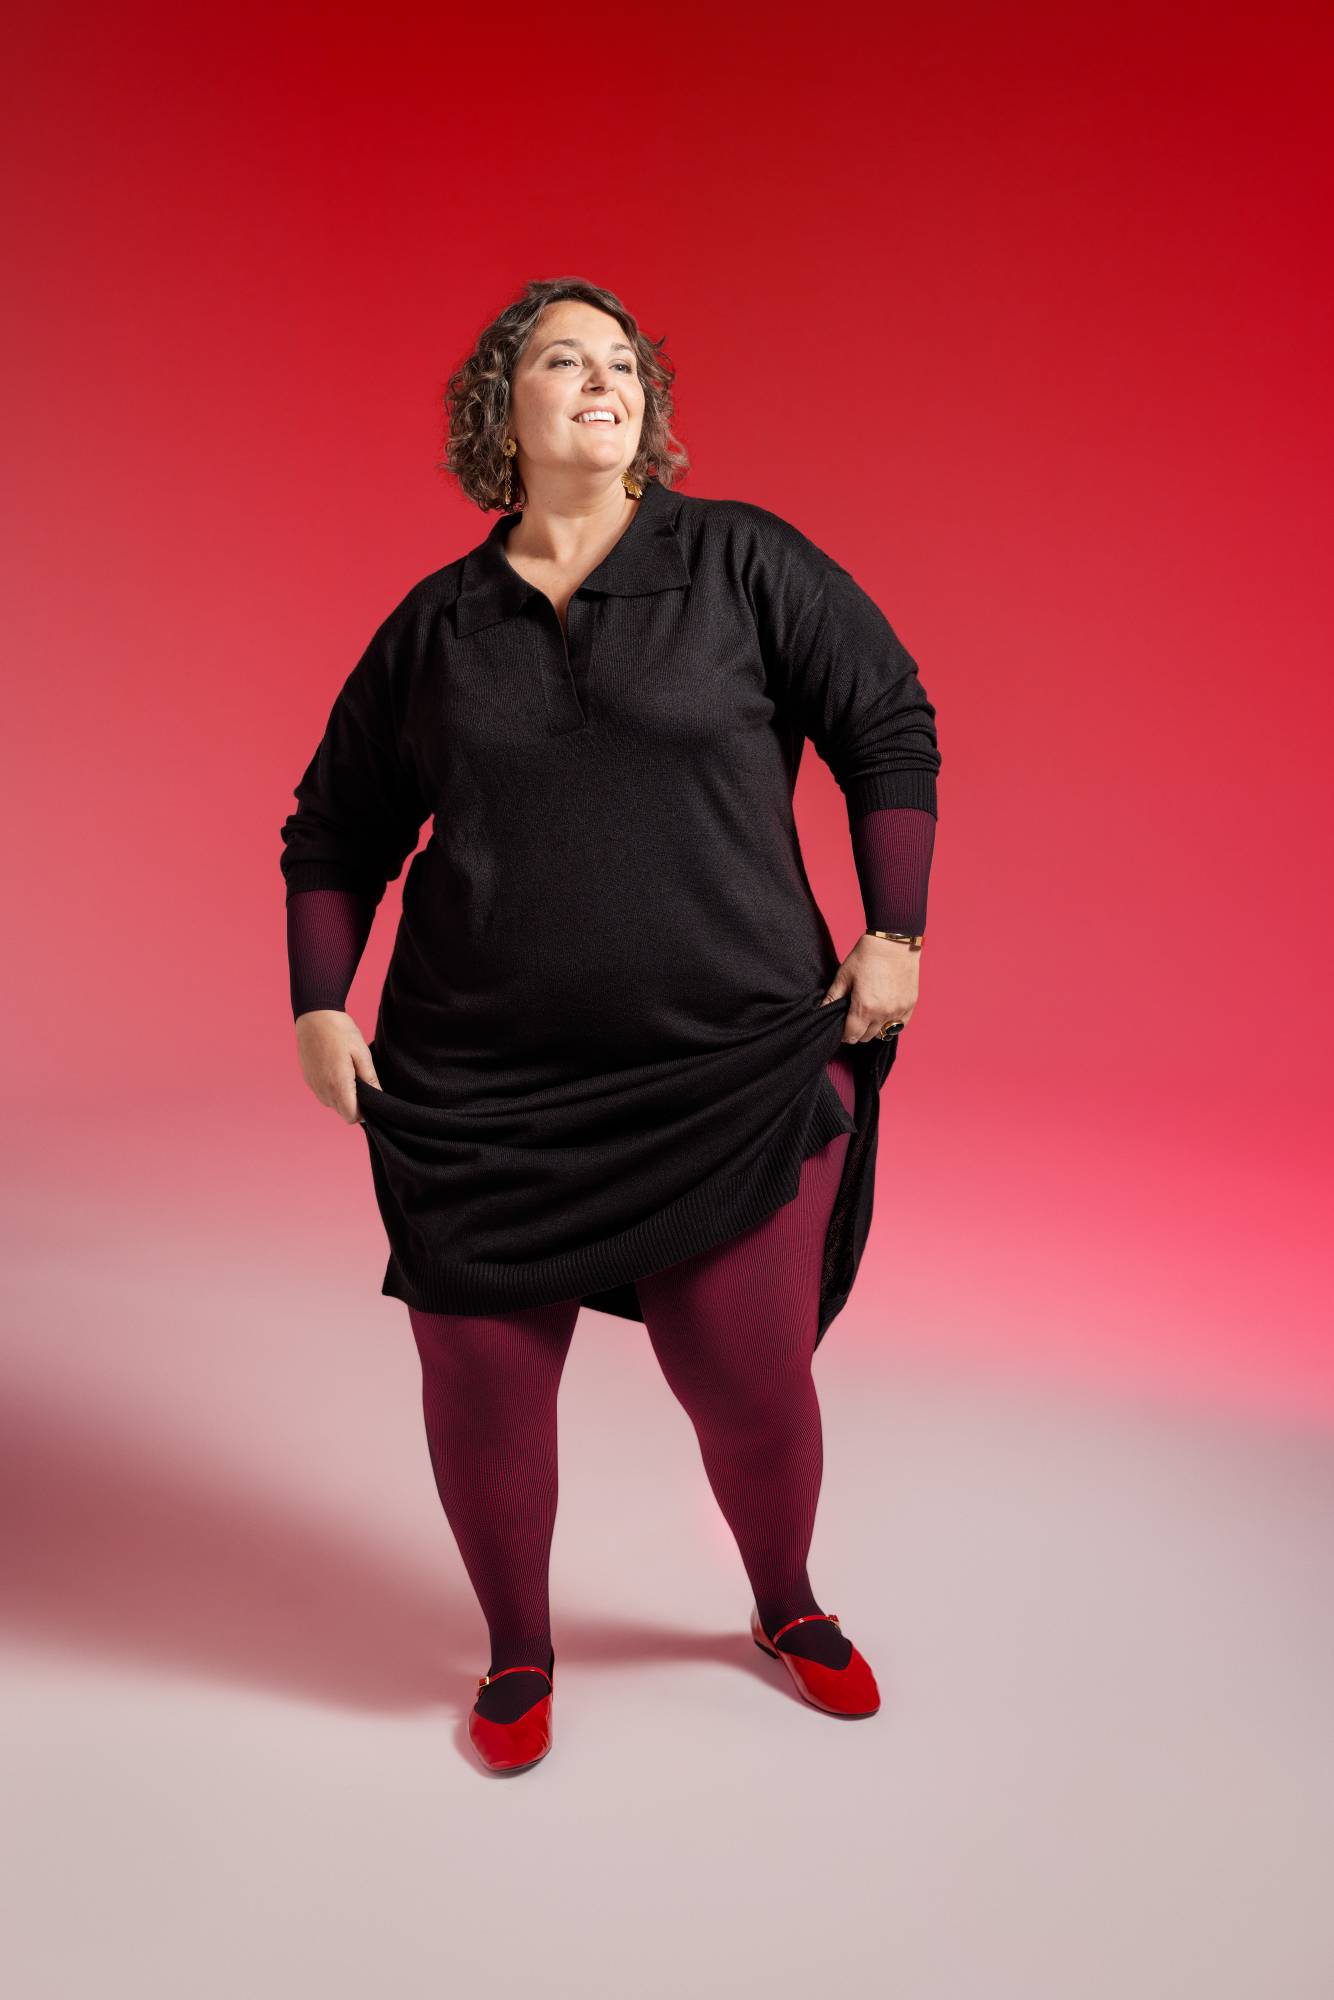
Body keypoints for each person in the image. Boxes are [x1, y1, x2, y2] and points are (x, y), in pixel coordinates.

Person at [280, 277, 941, 1774]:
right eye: (563, 360)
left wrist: (894, 932)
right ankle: (517, 1651)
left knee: (749, 1378)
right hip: (478, 1087)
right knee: (480, 1386)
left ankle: (786, 1602)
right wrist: (320, 1000)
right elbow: (333, 827)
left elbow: (887, 722)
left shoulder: (742, 562)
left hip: (728, 1064)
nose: (604, 379)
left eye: (622, 362)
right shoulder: (439, 625)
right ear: (498, 411)